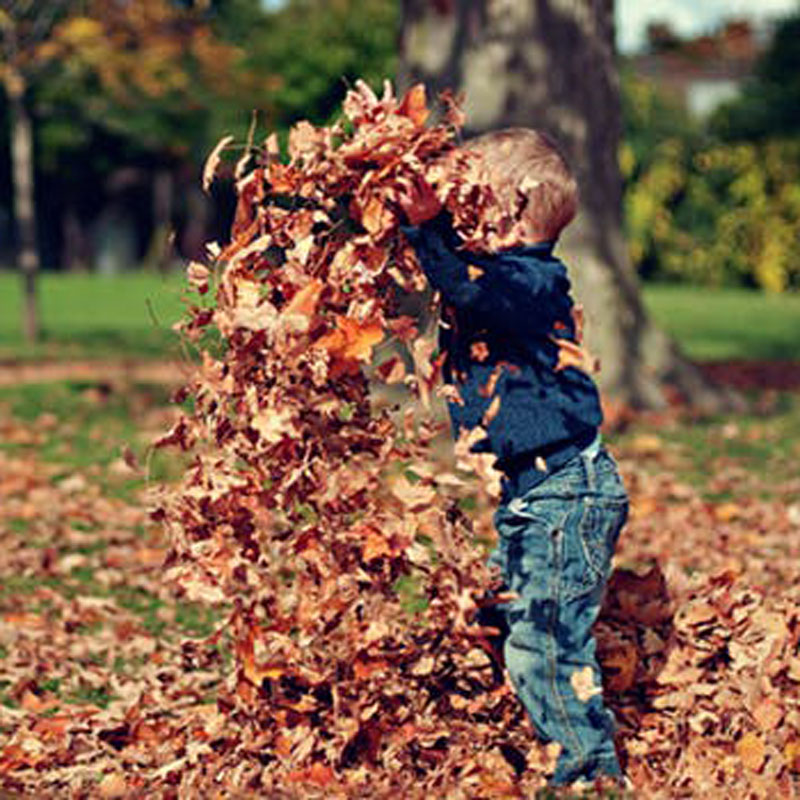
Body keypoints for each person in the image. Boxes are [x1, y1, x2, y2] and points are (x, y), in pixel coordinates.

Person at [400, 128, 629, 788]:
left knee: (546, 642)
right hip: (537, 495)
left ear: (503, 210)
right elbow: (457, 280)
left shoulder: (531, 281)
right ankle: (523, 726)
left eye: (470, 206)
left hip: (566, 494)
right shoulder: (502, 277)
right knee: (501, 613)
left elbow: (470, 290)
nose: (458, 219)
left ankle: (588, 771)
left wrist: (429, 229)